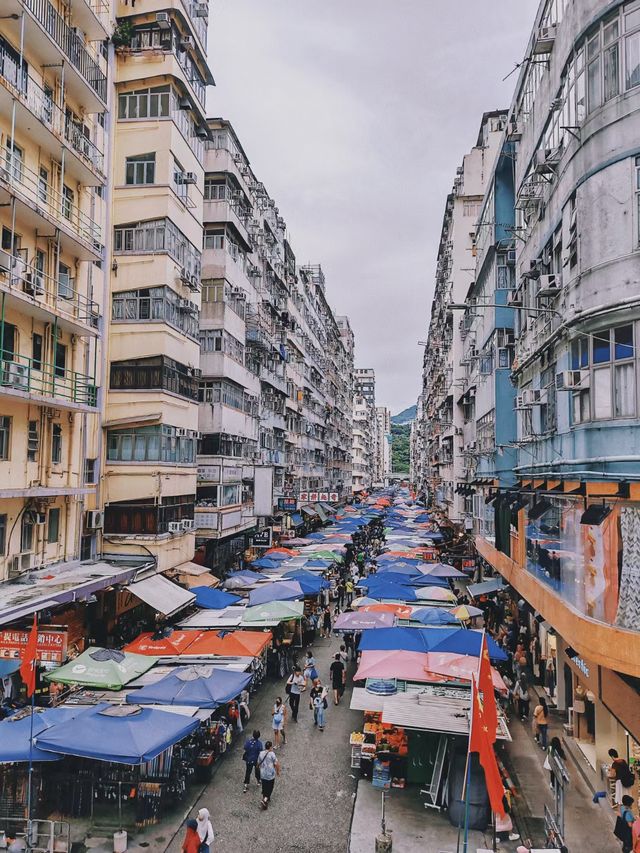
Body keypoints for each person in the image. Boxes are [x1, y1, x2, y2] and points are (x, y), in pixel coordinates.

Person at [257, 740, 280, 810]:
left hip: (263, 773)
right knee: (270, 787)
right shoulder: (272, 754)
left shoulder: (261, 753)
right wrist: (278, 772)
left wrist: (258, 768)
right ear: (270, 747)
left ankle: (265, 798)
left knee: (264, 786)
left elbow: (258, 763)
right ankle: (265, 799)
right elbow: (276, 764)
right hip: (270, 774)